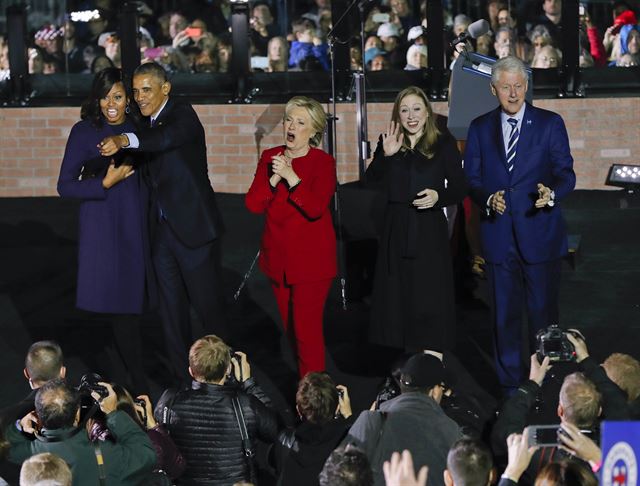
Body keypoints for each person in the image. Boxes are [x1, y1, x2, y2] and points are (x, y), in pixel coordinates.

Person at [98, 61, 227, 384]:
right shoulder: (144, 124)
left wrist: (125, 141)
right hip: (161, 235)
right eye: (136, 91)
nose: (139, 97)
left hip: (195, 231)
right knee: (170, 315)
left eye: (146, 90)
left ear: (165, 88)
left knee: (208, 311)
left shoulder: (182, 115)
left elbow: (163, 139)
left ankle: (226, 380)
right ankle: (184, 384)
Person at [463, 56, 575, 391]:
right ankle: (512, 391)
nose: (513, 94)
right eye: (505, 87)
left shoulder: (550, 123)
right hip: (499, 240)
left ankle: (547, 386)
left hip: (540, 235)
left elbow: (566, 173)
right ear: (492, 88)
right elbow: (472, 179)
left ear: (526, 87)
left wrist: (551, 193)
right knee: (504, 320)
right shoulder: (480, 127)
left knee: (543, 319)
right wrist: (486, 198)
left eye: (519, 86)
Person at [57, 67, 150, 394]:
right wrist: (104, 183)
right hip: (103, 231)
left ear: (128, 99)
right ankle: (134, 388)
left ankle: (133, 385)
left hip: (137, 228)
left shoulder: (139, 128)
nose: (111, 103)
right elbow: (64, 186)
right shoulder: (84, 132)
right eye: (105, 96)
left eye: (118, 96)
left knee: (133, 312)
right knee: (119, 312)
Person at [366, 86, 468, 357]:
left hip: (428, 229)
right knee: (400, 296)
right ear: (397, 115)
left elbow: (460, 188)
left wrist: (439, 195)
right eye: (404, 110)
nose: (411, 116)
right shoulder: (389, 141)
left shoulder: (443, 143)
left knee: (429, 296)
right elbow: (371, 182)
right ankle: (408, 365)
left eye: (416, 109)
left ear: (427, 112)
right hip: (396, 229)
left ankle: (433, 363)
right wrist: (385, 157)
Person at [245, 96, 337, 377]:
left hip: (312, 265)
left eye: (300, 122)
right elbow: (253, 204)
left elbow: (314, 208)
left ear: (314, 131)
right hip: (279, 262)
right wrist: (273, 179)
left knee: (307, 335)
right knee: (292, 332)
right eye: (288, 119)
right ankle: (305, 389)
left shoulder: (323, 163)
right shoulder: (269, 157)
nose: (291, 127)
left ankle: (315, 405)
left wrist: (291, 176)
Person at [153, 335, 279, 484]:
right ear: (228, 369)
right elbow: (274, 431)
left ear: (191, 371)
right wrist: (249, 384)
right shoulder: (246, 404)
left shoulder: (170, 401)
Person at [342, 353, 463, 486]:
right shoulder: (452, 431)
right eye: (442, 387)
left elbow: (338, 475)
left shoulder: (371, 420)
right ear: (434, 391)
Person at [6, 380, 156, 486]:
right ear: (77, 413)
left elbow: (6, 447)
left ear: (38, 415)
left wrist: (18, 426)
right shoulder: (106, 454)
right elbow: (146, 454)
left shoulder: (33, 457)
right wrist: (114, 414)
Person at [271, 372, 353, 486]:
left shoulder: (286, 441)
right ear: (337, 408)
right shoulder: (348, 442)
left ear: (299, 411)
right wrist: (349, 417)